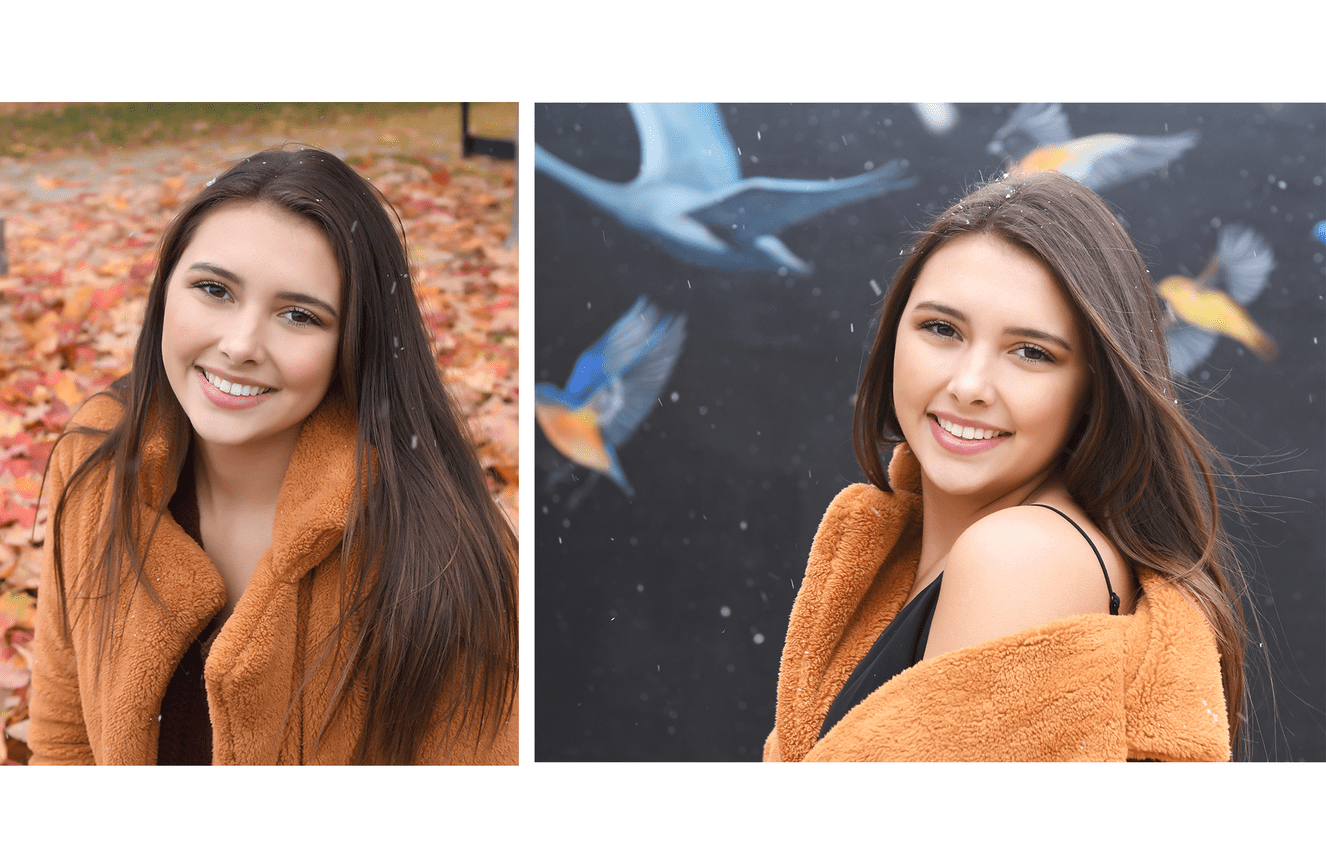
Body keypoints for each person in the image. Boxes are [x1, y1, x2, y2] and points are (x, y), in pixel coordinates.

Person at [29, 147, 517, 765]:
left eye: (298, 315)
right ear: (163, 292)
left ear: (355, 343)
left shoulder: (440, 555)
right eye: (213, 289)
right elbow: (62, 742)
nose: (240, 345)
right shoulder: (99, 461)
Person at [765, 171, 1247, 762]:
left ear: (1093, 386)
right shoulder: (917, 548)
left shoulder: (1019, 557)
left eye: (1030, 352)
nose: (969, 386)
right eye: (941, 329)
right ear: (894, 335)